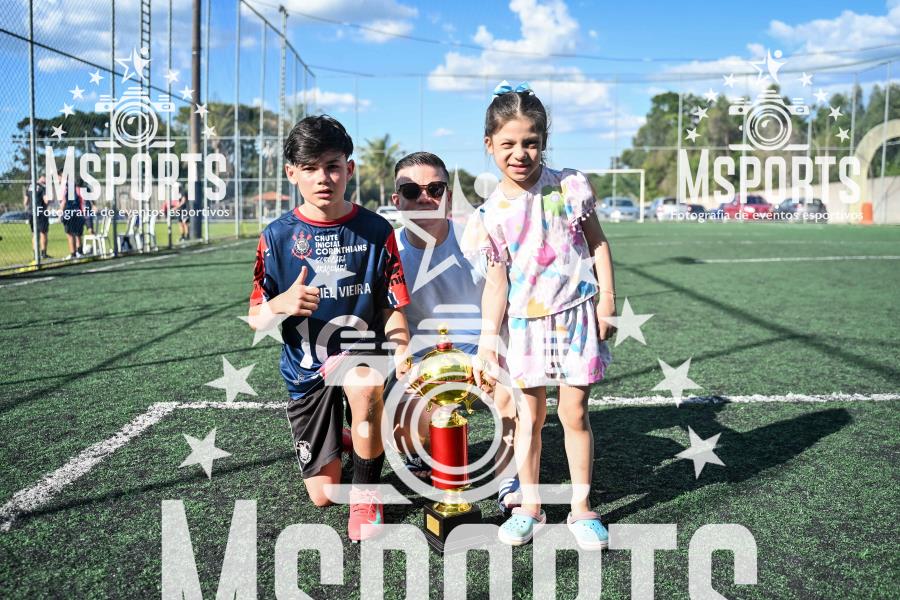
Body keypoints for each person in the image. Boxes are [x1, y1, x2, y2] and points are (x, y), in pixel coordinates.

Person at [247, 115, 412, 543]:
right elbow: (256, 317)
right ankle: (351, 435)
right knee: (322, 496)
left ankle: (366, 493)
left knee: (364, 385)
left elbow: (392, 307)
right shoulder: (276, 237)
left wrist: (403, 352)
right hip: (307, 370)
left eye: (333, 166)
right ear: (292, 173)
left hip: (362, 354)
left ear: (349, 169)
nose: (323, 178)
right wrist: (280, 304)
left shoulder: (376, 231)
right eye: (310, 168)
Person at [470, 83, 617, 550]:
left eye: (530, 142)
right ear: (490, 144)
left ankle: (582, 507)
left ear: (544, 142)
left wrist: (608, 301)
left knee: (574, 413)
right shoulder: (490, 212)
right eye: (508, 143)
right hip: (525, 326)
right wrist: (487, 342)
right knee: (529, 420)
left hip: (576, 315)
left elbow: (597, 243)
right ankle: (530, 506)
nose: (520, 153)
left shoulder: (569, 186)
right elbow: (497, 284)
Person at [389, 151, 521, 516]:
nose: (424, 198)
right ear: (396, 200)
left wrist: (490, 349)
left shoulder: (477, 237)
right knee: (402, 426)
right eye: (412, 191)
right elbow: (389, 315)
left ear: (448, 196)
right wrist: (404, 361)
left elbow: (500, 292)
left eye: (435, 189)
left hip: (479, 349)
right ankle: (422, 453)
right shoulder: (388, 249)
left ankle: (509, 482)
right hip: (424, 359)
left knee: (511, 392)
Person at [60, 175, 86, 260]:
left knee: (70, 234)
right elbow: (82, 203)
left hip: (69, 213)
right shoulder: (77, 191)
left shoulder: (67, 191)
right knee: (77, 234)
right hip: (77, 213)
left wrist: (60, 212)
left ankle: (73, 254)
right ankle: (79, 252)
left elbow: (64, 202)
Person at [23, 175, 49, 259]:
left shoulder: (29, 187)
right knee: (43, 233)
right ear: (42, 178)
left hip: (31, 212)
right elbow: (46, 200)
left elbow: (25, 202)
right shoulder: (42, 187)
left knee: (34, 233)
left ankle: (35, 254)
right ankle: (43, 253)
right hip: (41, 212)